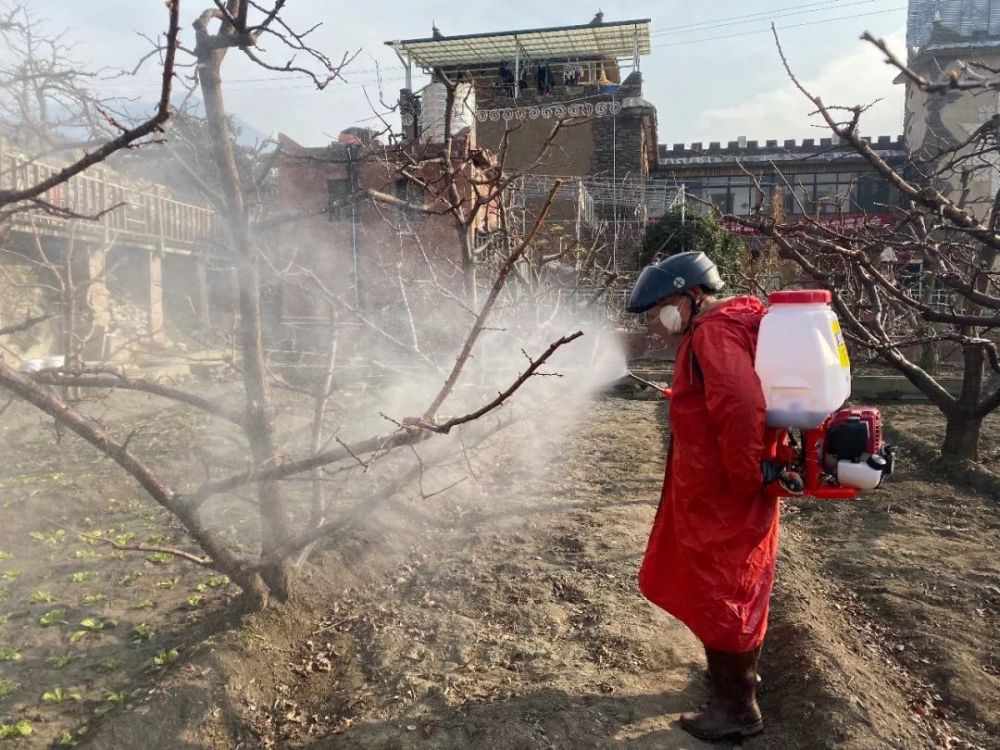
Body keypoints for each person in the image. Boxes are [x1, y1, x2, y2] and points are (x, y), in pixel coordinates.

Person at [626, 251, 778, 741]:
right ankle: (736, 687)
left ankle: (738, 711)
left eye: (662, 305)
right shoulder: (725, 327)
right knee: (732, 584)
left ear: (691, 296)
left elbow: (738, 404)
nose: (657, 318)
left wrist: (743, 475)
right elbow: (720, 396)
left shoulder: (712, 332)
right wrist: (684, 401)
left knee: (721, 588)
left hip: (722, 489)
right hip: (727, 482)